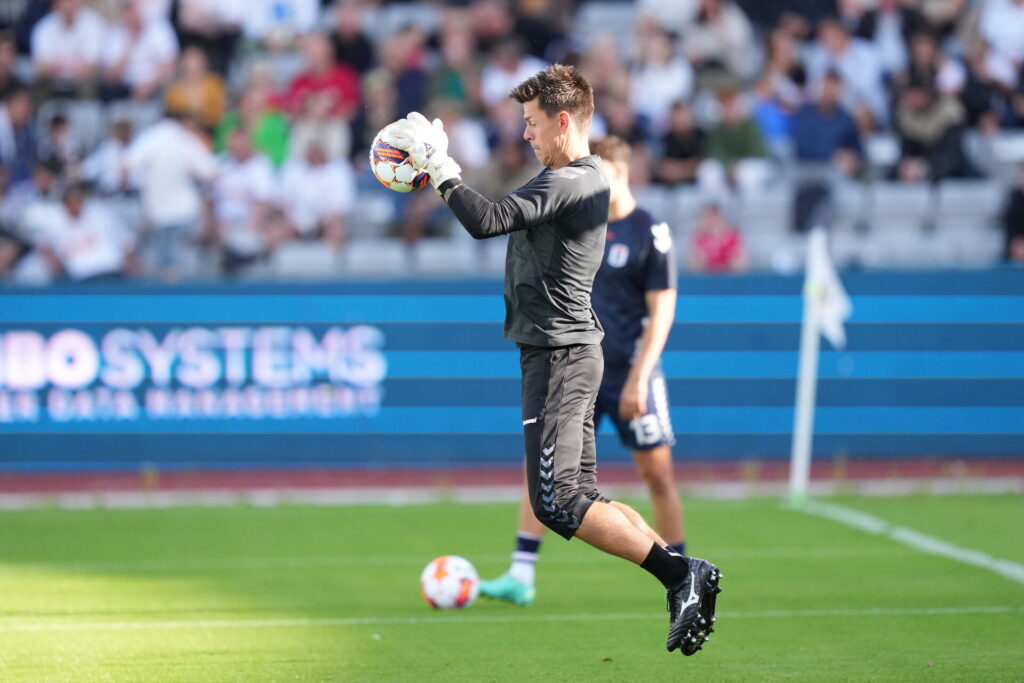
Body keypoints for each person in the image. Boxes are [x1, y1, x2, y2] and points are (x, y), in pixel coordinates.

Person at [386, 64, 722, 658]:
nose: (525, 135)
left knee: (558, 501)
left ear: (563, 121)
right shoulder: (572, 179)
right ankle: (681, 574)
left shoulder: (575, 179)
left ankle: (680, 575)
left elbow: (485, 221)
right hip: (559, 352)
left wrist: (441, 168)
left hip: (560, 355)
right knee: (579, 494)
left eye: (531, 123)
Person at [479, 132, 687, 605]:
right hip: (576, 367)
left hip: (630, 372)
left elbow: (663, 311)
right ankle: (521, 571)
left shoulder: (648, 231)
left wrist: (640, 375)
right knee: (547, 472)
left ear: (620, 171)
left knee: (657, 476)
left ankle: (681, 564)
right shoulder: (580, 222)